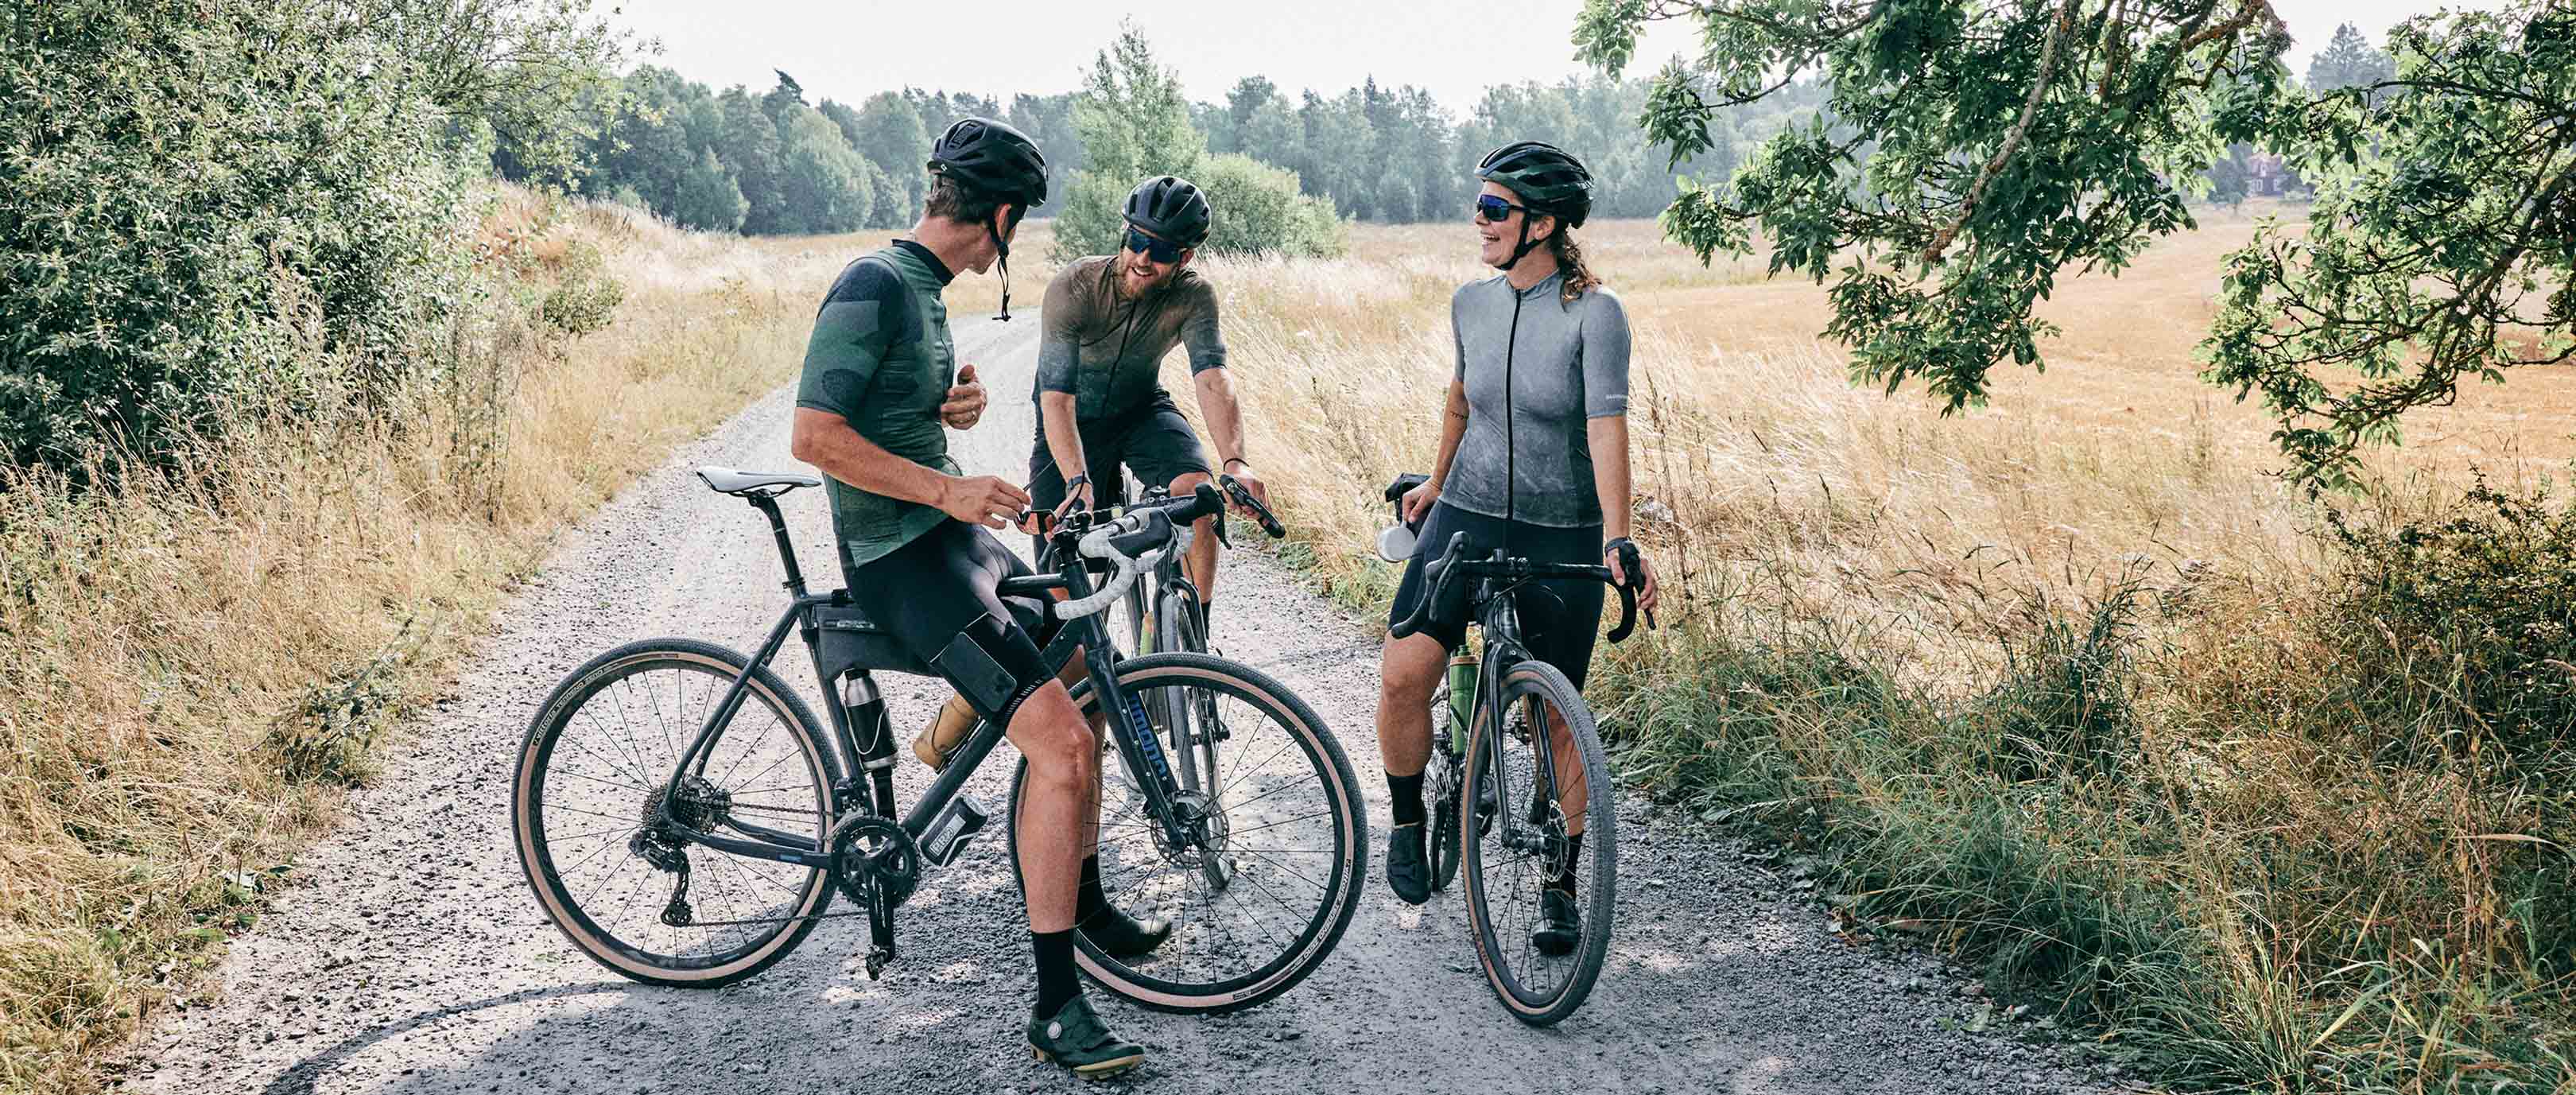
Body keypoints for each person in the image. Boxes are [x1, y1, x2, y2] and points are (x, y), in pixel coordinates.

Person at [787, 116, 1157, 1079]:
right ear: (997, 215)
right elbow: (814, 436)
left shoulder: (922, 289)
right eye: (1017, 218)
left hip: (944, 539)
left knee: (1081, 668)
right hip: (899, 556)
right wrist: (948, 489)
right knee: (1063, 745)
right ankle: (1055, 1007)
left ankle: (1083, 892)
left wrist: (951, 412)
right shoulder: (874, 283)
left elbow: (888, 414)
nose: (1015, 236)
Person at [1374, 141, 1662, 953]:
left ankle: (1560, 885)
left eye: (1495, 209)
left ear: (1543, 224)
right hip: (1466, 515)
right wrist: (1435, 485)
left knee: (1556, 717)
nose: (1480, 220)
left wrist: (1618, 536)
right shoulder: (1471, 303)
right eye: (1481, 206)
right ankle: (1407, 820)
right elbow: (1460, 402)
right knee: (1403, 674)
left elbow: (1606, 428)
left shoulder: (1595, 314)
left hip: (1558, 526)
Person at [907, 174, 1269, 770]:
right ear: (1124, 234)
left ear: (1185, 257)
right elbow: (1057, 399)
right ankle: (971, 723)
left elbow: (1211, 375)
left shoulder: (1194, 296)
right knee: (1065, 597)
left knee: (1200, 495)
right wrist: (1078, 481)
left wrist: (1236, 459)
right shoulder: (1075, 287)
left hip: (1141, 410)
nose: (1143, 258)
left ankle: (1188, 647)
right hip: (1070, 421)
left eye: (1162, 250)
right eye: (1136, 240)